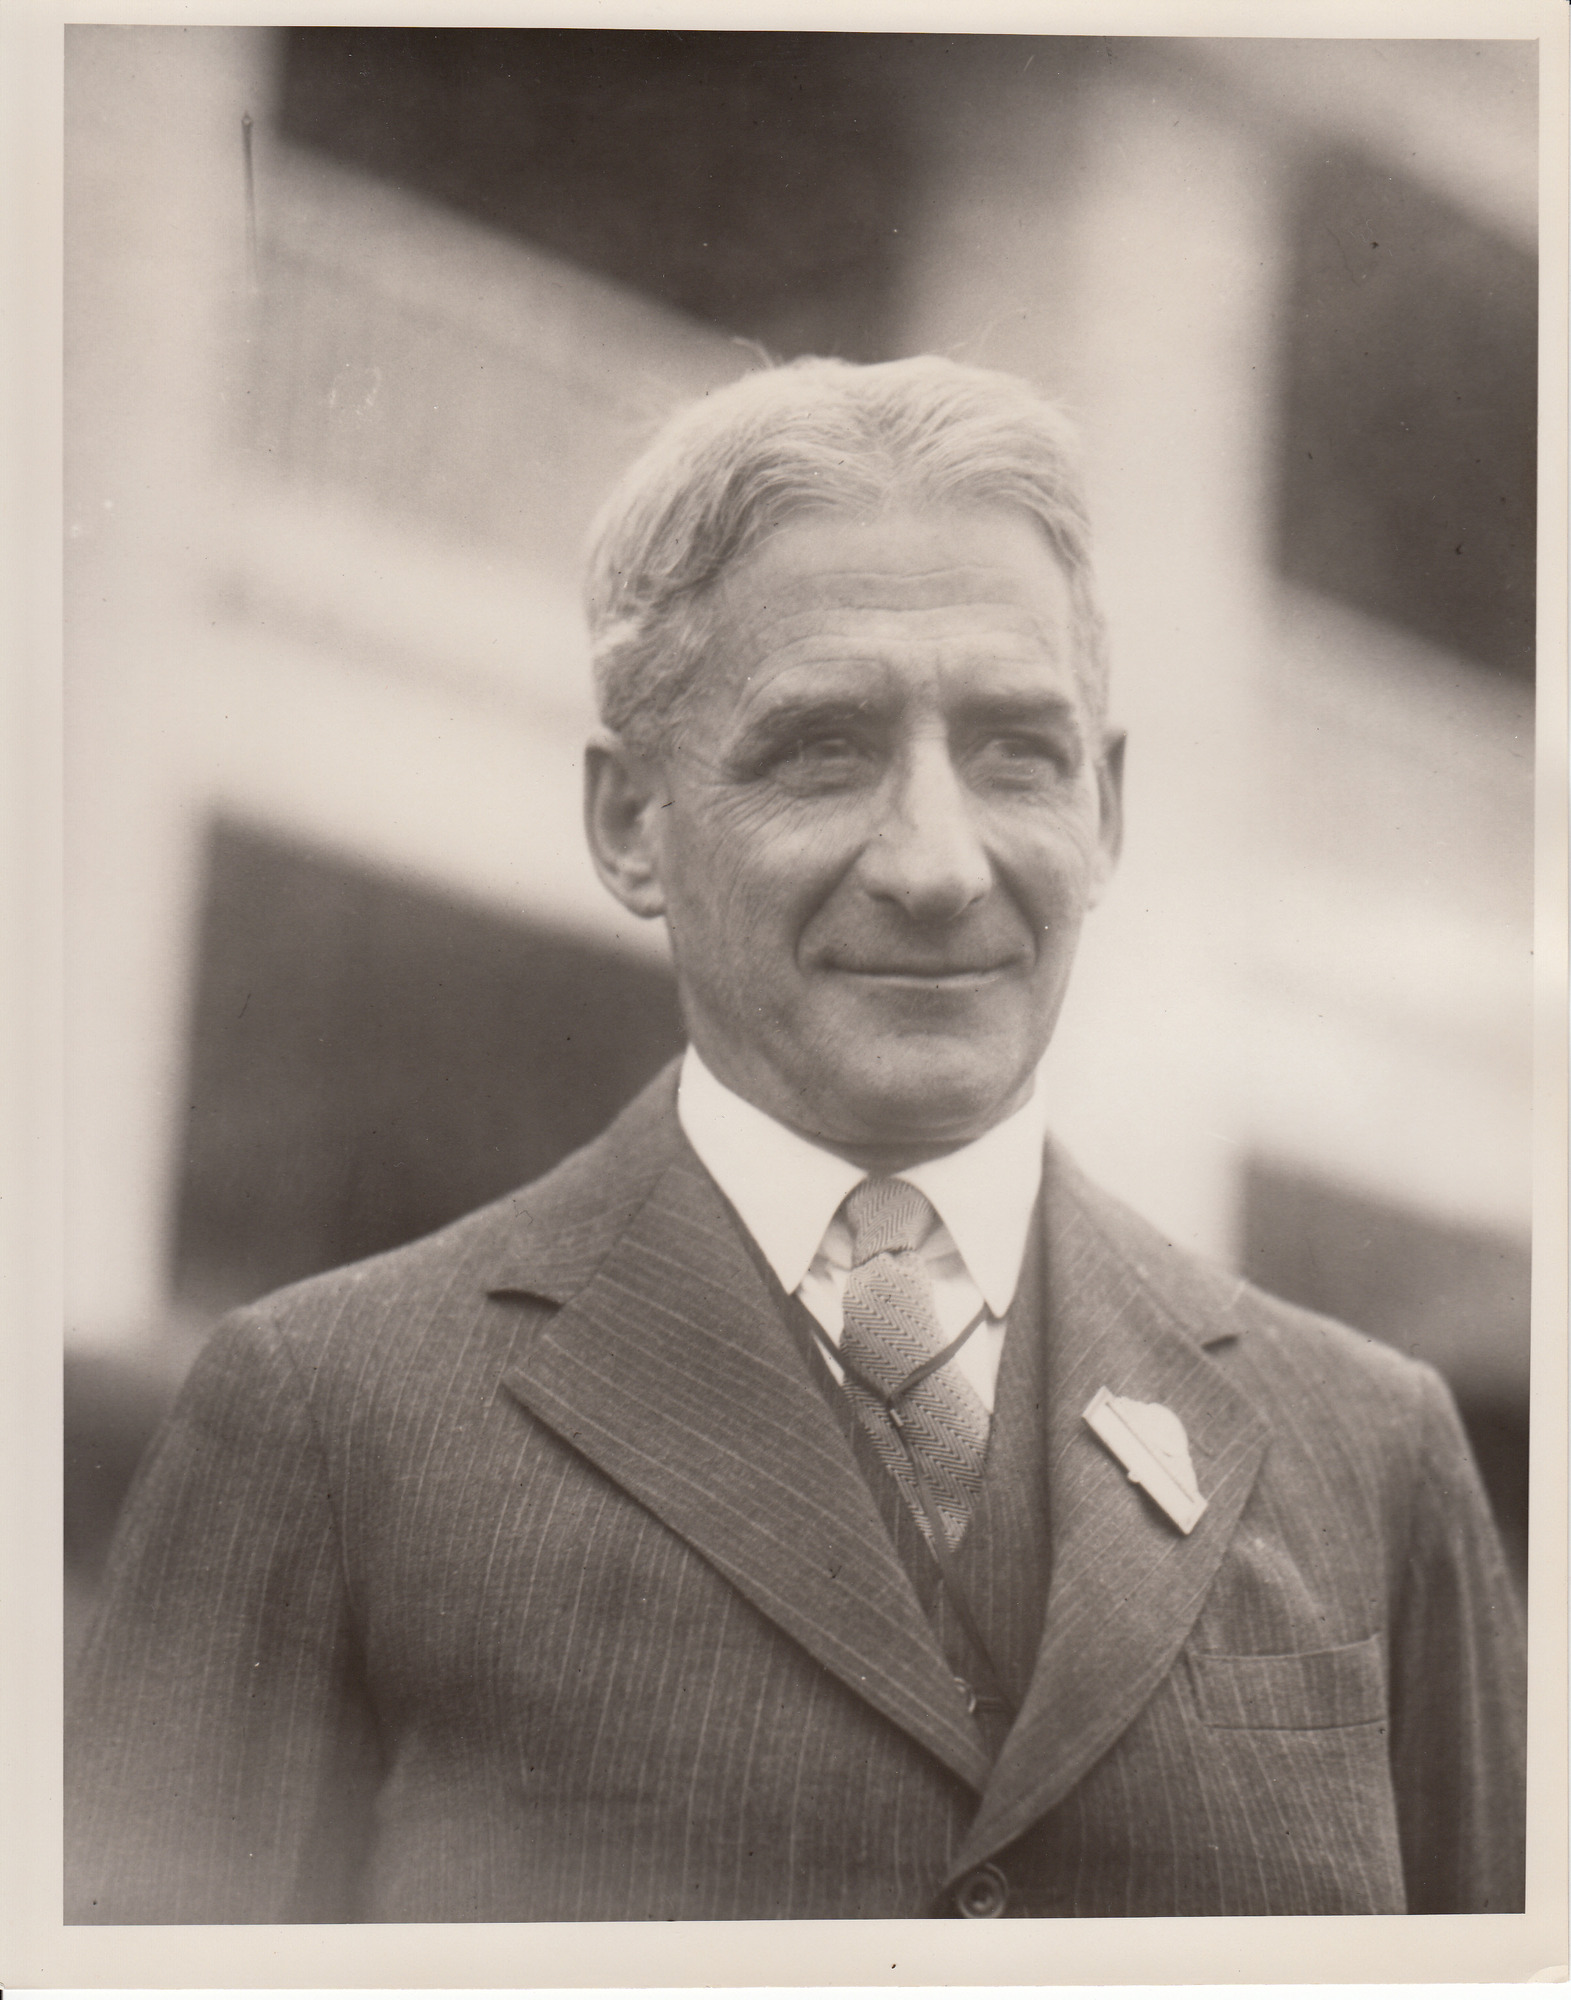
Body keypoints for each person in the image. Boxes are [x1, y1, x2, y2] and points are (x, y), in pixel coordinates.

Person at [67, 356, 1525, 1923]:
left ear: (1104, 810)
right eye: (824, 749)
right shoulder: (327, 1424)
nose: (937, 865)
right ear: (630, 822)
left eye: (1017, 752)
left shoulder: (1374, 1455)